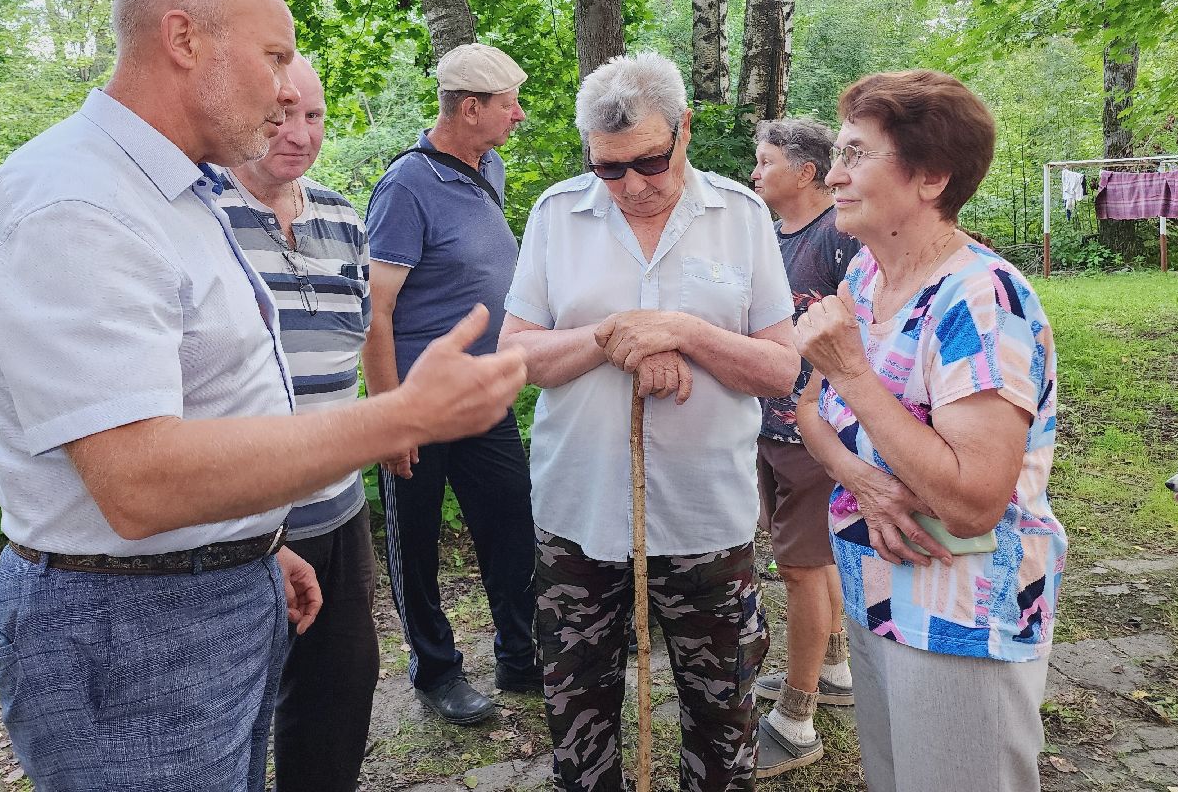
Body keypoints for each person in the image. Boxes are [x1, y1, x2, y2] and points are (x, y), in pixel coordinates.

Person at [0, 0, 526, 792]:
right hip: (133, 629)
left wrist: (252, 547)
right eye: (275, 57)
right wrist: (401, 416)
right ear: (183, 38)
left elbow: (204, 404)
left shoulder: (169, 194)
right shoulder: (77, 205)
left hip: (195, 586)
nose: (286, 89)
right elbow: (137, 483)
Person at [498, 52, 800, 792]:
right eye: (609, 169)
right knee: (579, 718)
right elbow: (517, 357)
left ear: (685, 130)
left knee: (722, 717)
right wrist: (613, 337)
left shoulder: (741, 214)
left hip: (706, 519)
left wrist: (682, 332)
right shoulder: (557, 215)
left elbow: (779, 369)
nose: (632, 186)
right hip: (581, 516)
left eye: (649, 163)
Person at [792, 69, 1065, 791]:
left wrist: (854, 373)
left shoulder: (981, 300)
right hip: (876, 590)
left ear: (931, 178)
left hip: (961, 612)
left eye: (856, 154)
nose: (834, 174)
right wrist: (864, 483)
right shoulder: (865, 281)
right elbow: (807, 411)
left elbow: (974, 501)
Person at [362, 43, 538, 725]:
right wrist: (390, 418)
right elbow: (376, 310)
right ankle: (436, 671)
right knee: (416, 543)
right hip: (417, 399)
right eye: (507, 105)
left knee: (510, 519)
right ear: (470, 109)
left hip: (481, 395)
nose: (518, 115)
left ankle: (520, 656)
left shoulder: (485, 164)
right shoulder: (406, 185)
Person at [220, 52, 377, 792]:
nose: (299, 133)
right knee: (236, 709)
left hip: (339, 508)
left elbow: (360, 336)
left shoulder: (344, 217)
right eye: (281, 115)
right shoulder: (205, 218)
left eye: (313, 116)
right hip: (238, 524)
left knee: (340, 695)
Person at [747, 117, 860, 778]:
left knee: (801, 568)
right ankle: (837, 667)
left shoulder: (839, 238)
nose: (756, 173)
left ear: (805, 172)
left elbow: (858, 332)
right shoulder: (770, 236)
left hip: (816, 433)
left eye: (765, 162)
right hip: (769, 424)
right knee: (809, 561)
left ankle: (796, 718)